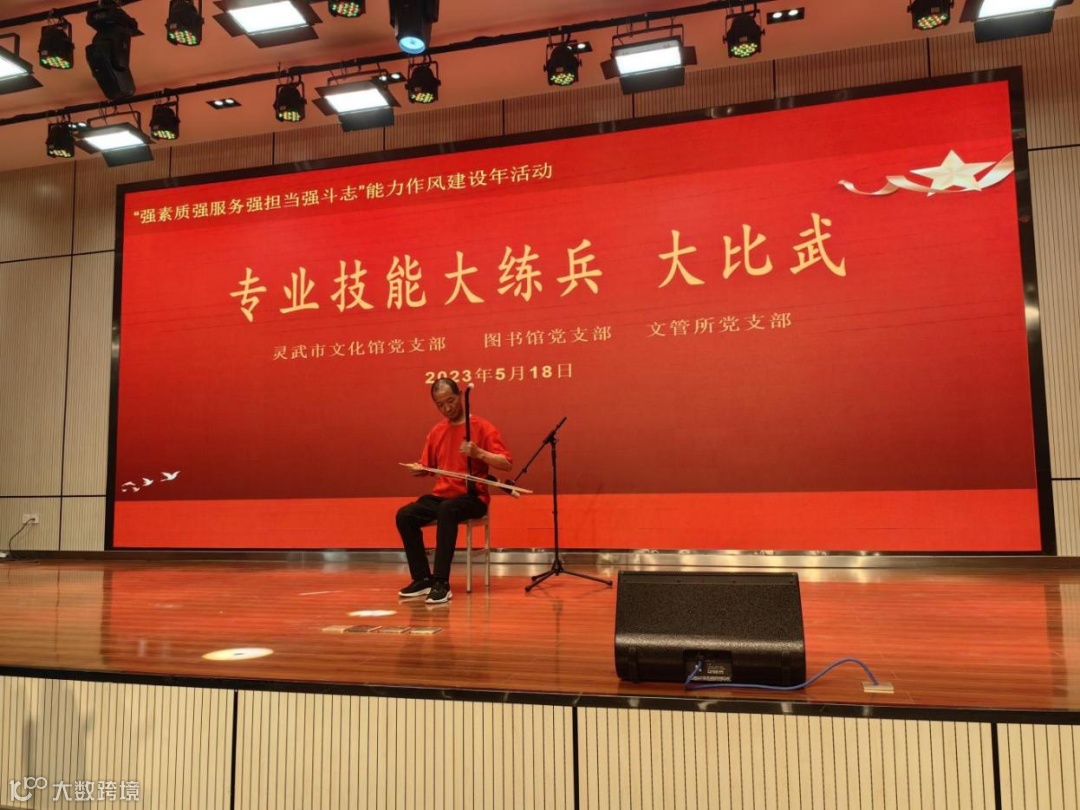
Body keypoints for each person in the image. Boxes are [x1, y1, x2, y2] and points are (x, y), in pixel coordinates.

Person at [396, 378, 513, 604]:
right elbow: (427, 467)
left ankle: (441, 582)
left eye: (450, 401)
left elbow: (506, 463)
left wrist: (479, 453)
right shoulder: (437, 431)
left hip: (472, 497)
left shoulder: (481, 427)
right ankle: (422, 578)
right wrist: (418, 469)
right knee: (405, 515)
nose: (447, 408)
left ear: (460, 395)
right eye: (440, 404)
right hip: (442, 496)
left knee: (447, 510)